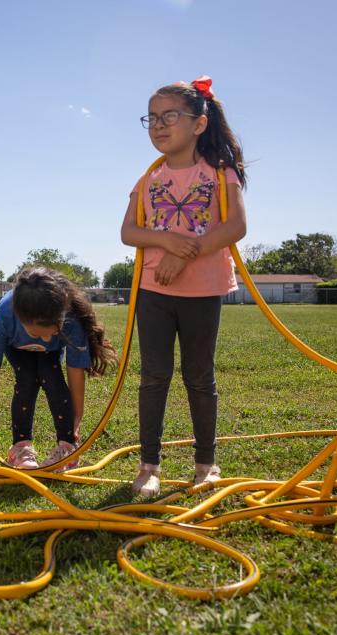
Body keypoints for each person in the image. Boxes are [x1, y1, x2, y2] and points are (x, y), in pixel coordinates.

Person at [120, 75, 247, 497]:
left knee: (199, 376)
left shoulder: (220, 172)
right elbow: (129, 231)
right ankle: (149, 466)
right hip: (153, 291)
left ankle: (206, 463)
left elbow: (236, 226)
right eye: (151, 118)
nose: (158, 125)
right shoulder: (147, 179)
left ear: (199, 123)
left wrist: (183, 253)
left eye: (169, 116)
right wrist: (164, 241)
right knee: (153, 376)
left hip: (203, 289)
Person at [0, 267, 118, 471]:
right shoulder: (3, 317)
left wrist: (77, 417)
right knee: (27, 379)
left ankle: (68, 447)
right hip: (16, 348)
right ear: (20, 317)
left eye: (53, 332)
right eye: (38, 333)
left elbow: (75, 370)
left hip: (50, 354)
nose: (45, 339)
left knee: (52, 378)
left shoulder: (72, 318)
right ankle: (21, 447)